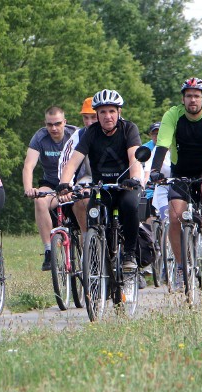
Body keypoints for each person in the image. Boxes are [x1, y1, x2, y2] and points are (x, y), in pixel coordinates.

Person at [148, 77, 202, 288]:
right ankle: (182, 267)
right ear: (183, 99)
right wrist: (155, 170)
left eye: (196, 96)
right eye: (188, 96)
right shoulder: (173, 115)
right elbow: (163, 143)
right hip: (181, 171)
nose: (192, 100)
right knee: (175, 217)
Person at [58, 89, 144, 271]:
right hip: (101, 187)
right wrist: (64, 183)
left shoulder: (129, 129)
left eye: (112, 111)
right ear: (97, 114)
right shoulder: (91, 133)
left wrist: (134, 178)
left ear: (119, 112)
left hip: (126, 186)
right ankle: (97, 262)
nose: (108, 116)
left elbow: (134, 158)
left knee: (129, 206)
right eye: (103, 112)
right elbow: (73, 162)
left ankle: (129, 254)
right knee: (93, 217)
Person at [23, 106, 78, 270]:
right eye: (49, 124)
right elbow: (28, 165)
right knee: (39, 202)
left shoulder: (75, 135)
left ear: (65, 122)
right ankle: (48, 250)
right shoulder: (40, 137)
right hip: (51, 184)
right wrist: (29, 188)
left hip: (73, 183)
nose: (53, 128)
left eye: (58, 124)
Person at [57, 97, 99, 235]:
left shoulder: (120, 130)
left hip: (114, 177)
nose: (89, 122)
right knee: (80, 198)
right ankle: (86, 237)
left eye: (93, 117)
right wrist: (66, 186)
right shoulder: (79, 135)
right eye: (85, 118)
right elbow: (66, 161)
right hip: (88, 176)